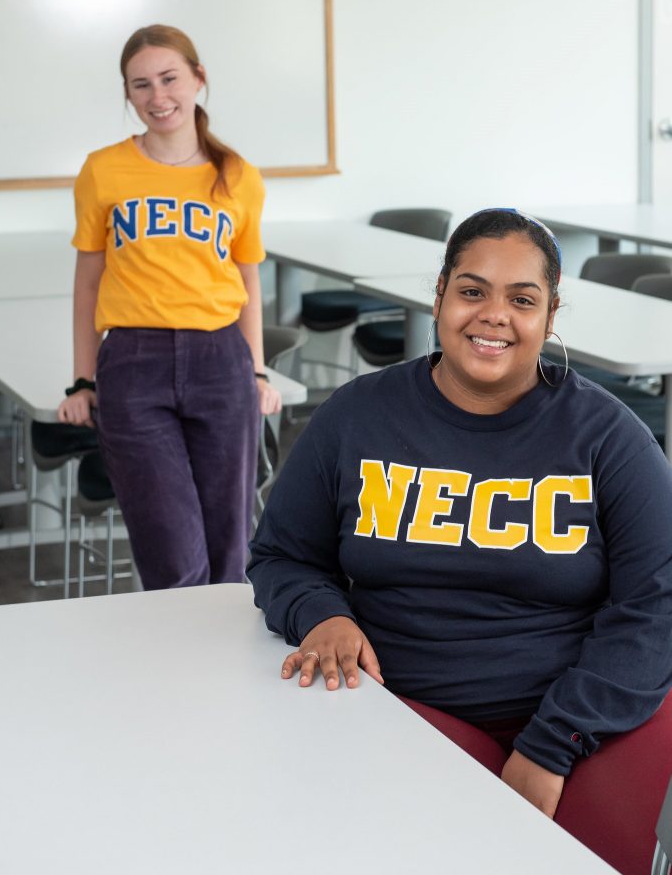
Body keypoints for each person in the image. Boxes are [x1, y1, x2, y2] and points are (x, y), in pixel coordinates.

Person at [247, 208, 672, 875]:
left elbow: (657, 606)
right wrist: (321, 613)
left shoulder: (607, 438)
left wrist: (550, 746)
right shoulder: (356, 417)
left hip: (586, 716)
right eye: (472, 290)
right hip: (404, 707)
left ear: (550, 313)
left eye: (521, 299)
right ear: (439, 292)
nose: (492, 315)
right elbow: (282, 555)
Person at [58, 23, 281, 590]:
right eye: (140, 86)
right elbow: (88, 283)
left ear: (198, 79)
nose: (158, 97)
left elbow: (248, 281)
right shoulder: (103, 170)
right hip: (134, 364)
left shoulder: (238, 177)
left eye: (169, 79)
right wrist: (81, 381)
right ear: (128, 96)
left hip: (221, 360)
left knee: (230, 552)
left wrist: (256, 369)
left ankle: (225, 677)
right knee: (174, 558)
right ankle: (180, 675)